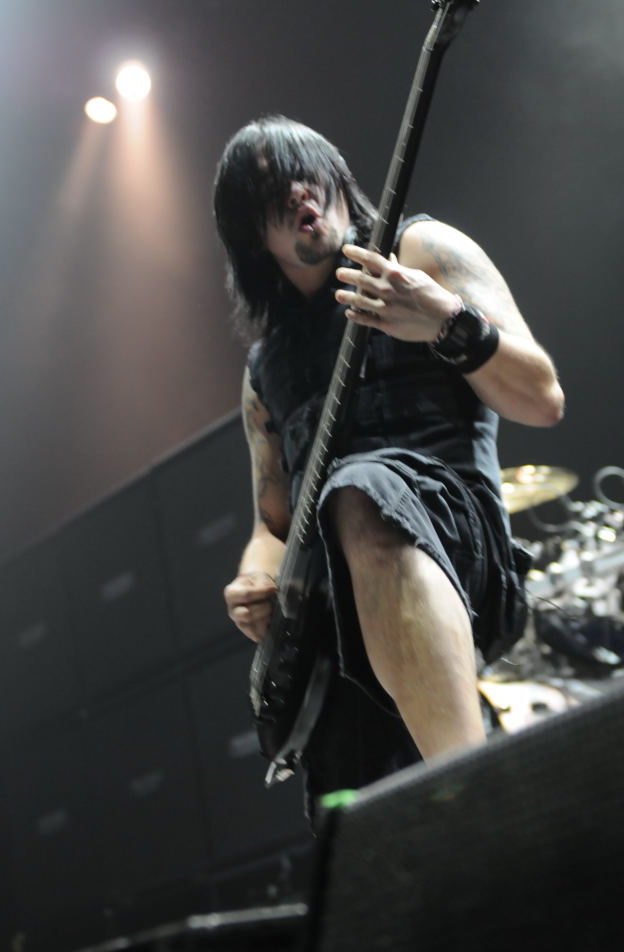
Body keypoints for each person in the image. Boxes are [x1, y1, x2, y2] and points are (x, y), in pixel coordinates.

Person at [214, 114, 564, 807]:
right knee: (373, 826)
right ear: (254, 236)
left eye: (306, 173)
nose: (298, 194)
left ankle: (479, 796)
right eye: (272, 193)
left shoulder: (421, 251)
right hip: (337, 607)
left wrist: (446, 321)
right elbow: (272, 524)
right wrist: (255, 580)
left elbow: (543, 397)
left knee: (359, 490)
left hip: (457, 540)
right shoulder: (264, 369)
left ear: (338, 180)